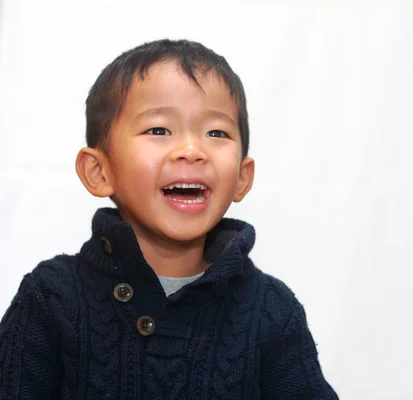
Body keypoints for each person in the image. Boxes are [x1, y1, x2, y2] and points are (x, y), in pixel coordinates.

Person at [0, 39, 337, 399]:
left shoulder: (271, 309)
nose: (192, 151)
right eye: (159, 130)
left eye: (216, 133)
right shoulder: (52, 298)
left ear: (242, 177)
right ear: (99, 171)